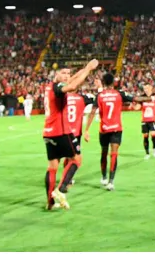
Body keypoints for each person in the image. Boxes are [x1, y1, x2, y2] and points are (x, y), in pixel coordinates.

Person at [43, 60, 99, 211]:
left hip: (48, 133)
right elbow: (73, 86)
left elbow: (73, 80)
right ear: (56, 74)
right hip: (61, 132)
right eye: (64, 73)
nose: (67, 76)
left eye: (68, 73)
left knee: (52, 167)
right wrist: (88, 68)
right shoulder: (58, 87)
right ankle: (60, 190)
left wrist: (85, 69)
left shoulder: (49, 87)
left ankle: (50, 202)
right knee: (76, 159)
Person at [84, 73, 145, 191]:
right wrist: (151, 98)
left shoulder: (100, 95)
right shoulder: (119, 94)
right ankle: (111, 181)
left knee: (104, 153)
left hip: (104, 129)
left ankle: (104, 177)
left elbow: (92, 112)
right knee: (114, 154)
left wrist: (86, 130)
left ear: (103, 82)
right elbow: (136, 99)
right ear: (113, 82)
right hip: (116, 128)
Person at [140, 84, 155, 160]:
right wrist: (133, 104)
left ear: (151, 88)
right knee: (145, 136)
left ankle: (154, 148)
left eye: (147, 88)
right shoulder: (142, 97)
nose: (145, 89)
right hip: (144, 120)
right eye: (144, 88)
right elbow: (138, 107)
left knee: (153, 135)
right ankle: (147, 153)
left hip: (153, 119)